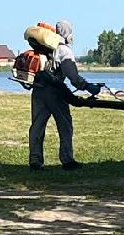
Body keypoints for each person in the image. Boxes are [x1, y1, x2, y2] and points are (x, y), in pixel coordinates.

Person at [29, 20, 103, 170]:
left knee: (37, 126)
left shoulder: (43, 46)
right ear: (68, 34)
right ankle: (67, 160)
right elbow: (73, 77)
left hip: (38, 89)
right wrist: (87, 86)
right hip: (55, 91)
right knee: (65, 126)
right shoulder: (64, 50)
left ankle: (35, 161)